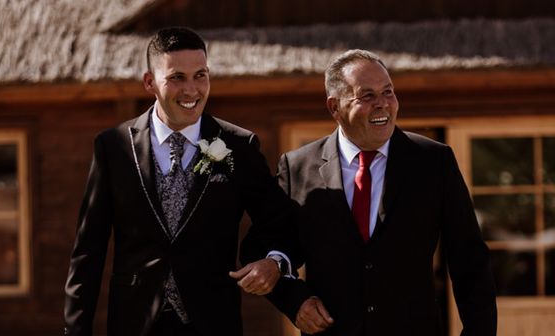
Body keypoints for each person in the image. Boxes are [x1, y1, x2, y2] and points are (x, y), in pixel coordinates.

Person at [64, 27, 298, 336]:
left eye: (200, 76)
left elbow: (280, 223)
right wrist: (75, 330)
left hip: (213, 322)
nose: (192, 90)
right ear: (150, 82)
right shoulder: (113, 147)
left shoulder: (238, 146)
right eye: (177, 78)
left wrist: (274, 262)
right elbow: (88, 252)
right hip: (134, 323)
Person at [260, 49, 497, 335]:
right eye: (367, 96)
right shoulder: (297, 167)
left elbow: (470, 260)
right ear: (334, 107)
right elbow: (271, 250)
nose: (383, 104)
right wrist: (295, 302)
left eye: (388, 92)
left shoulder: (434, 162)